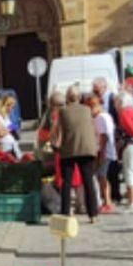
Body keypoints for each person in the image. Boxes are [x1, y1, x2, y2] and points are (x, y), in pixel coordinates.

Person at [51, 84, 102, 221]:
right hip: (87, 149)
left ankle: (65, 213)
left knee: (66, 183)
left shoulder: (63, 112)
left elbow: (58, 132)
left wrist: (55, 146)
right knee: (88, 182)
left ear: (67, 98)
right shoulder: (87, 110)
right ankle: (93, 214)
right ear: (79, 97)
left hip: (69, 150)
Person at [89, 92, 118, 212]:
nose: (91, 110)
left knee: (102, 177)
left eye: (92, 107)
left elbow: (103, 137)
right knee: (102, 177)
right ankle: (106, 201)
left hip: (104, 152)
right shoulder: (106, 116)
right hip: (107, 151)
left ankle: (107, 202)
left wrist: (101, 153)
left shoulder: (101, 118)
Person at [0, 94, 21, 159]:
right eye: (12, 107)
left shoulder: (6, 117)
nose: (12, 109)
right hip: (6, 147)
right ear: (6, 106)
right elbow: (0, 134)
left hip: (12, 145)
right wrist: (9, 130)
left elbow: (12, 127)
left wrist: (13, 127)